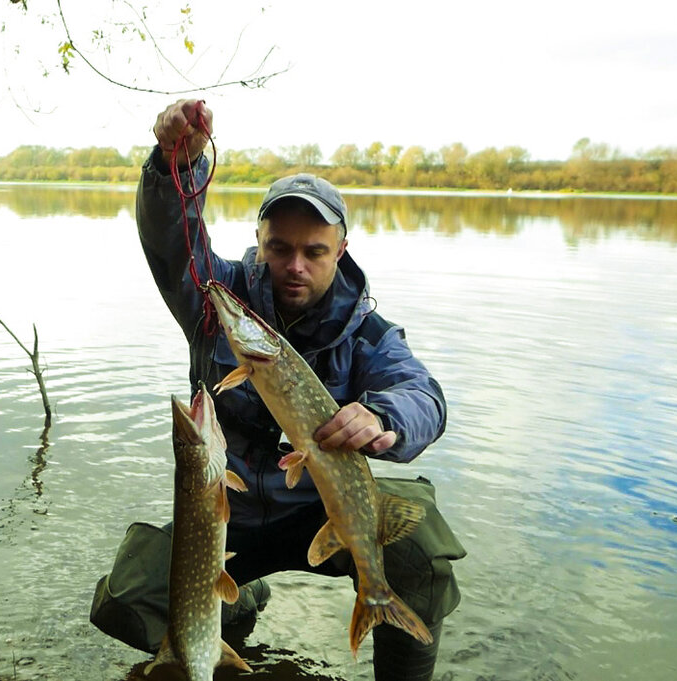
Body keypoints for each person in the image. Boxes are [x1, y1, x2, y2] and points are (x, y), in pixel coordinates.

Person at [90, 100, 465, 680]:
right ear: (259, 240)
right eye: (279, 248)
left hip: (319, 512)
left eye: (314, 252)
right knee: (127, 595)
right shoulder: (220, 300)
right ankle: (234, 616)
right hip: (226, 516)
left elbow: (425, 397)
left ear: (339, 252)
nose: (295, 265)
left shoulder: (367, 334)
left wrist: (385, 416)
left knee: (421, 550)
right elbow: (172, 244)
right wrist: (173, 168)